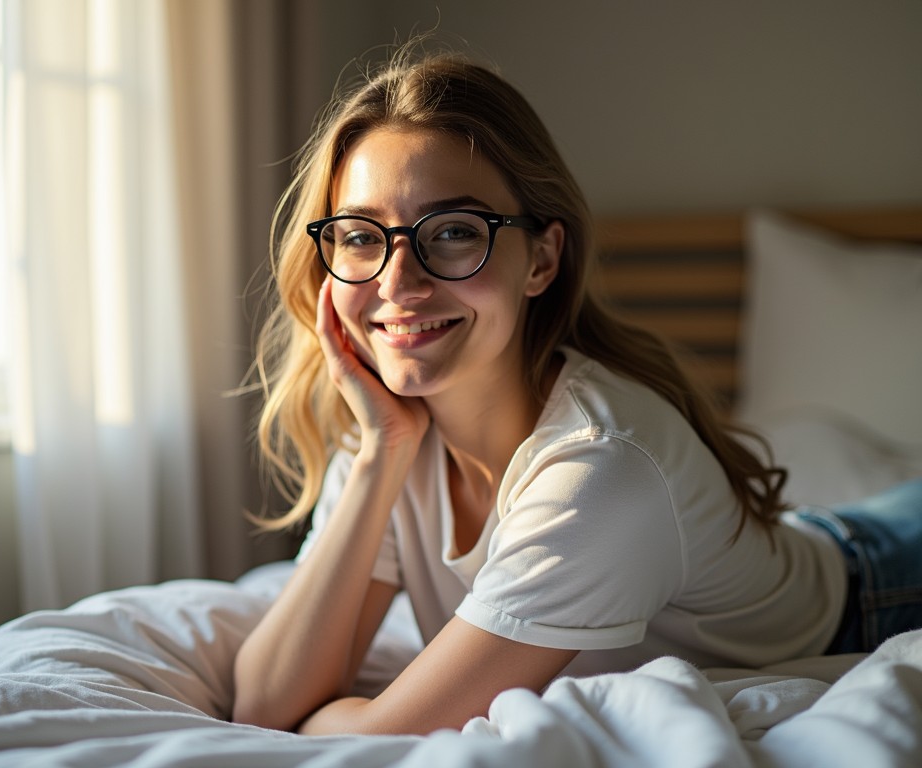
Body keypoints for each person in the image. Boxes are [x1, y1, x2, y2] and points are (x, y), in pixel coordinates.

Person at [230, 43, 922, 736]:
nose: (397, 282)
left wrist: (323, 720)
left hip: (883, 584)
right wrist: (382, 452)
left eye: (453, 232)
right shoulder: (391, 423)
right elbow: (264, 704)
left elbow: (384, 734)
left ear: (543, 258)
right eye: (359, 236)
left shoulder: (600, 471)